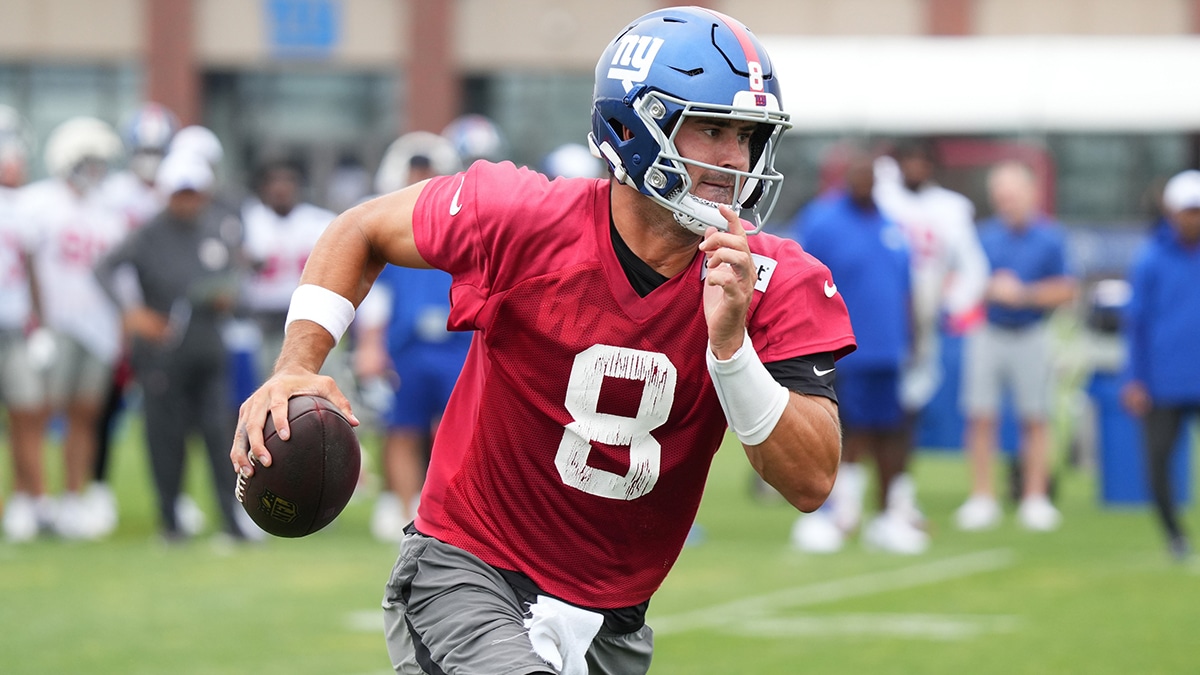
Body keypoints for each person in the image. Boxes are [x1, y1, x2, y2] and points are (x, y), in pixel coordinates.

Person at [231, 7, 855, 674]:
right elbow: (359, 229)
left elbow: (812, 480)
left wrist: (731, 352)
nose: (736, 158)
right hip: (471, 572)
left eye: (749, 135)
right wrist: (297, 365)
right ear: (631, 125)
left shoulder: (775, 278)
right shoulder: (525, 218)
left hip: (615, 616)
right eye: (711, 129)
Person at [95, 151, 256, 543]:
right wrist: (132, 314)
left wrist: (226, 295)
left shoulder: (216, 227)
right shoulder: (149, 233)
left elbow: (234, 279)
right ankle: (170, 521)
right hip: (163, 352)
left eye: (194, 192)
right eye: (181, 192)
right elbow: (103, 269)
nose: (188, 200)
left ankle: (231, 519)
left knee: (221, 435)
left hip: (208, 348)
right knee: (165, 437)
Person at [789, 149, 922, 554]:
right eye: (858, 173)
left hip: (889, 351)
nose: (865, 180)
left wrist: (913, 338)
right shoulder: (822, 220)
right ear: (846, 176)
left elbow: (904, 288)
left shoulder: (890, 224)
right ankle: (839, 516)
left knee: (892, 434)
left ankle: (888, 516)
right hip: (843, 350)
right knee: (846, 435)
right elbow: (798, 278)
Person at [354, 132, 468, 543]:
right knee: (400, 430)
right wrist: (370, 344)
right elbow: (376, 292)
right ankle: (407, 515)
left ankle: (449, 515)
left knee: (453, 430)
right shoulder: (391, 224)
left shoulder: (464, 222)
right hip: (407, 345)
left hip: (457, 341)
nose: (422, 175)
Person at [873, 138, 990, 531]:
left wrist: (952, 306)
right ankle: (844, 498)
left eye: (923, 162)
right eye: (909, 161)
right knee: (857, 413)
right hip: (876, 316)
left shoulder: (950, 209)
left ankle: (898, 496)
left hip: (922, 316)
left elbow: (973, 267)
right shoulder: (882, 198)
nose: (916, 168)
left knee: (907, 411)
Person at [955, 162, 1076, 532]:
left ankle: (1035, 497)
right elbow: (963, 282)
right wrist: (990, 288)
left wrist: (1024, 294)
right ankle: (981, 497)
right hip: (988, 331)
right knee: (980, 416)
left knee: (1035, 417)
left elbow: (1067, 289)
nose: (1007, 202)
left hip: (1032, 334)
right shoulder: (983, 236)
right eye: (1001, 196)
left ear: (1030, 193)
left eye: (1013, 194)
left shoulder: (1051, 237)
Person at [21, 116, 126, 540]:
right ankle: (31, 499)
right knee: (37, 413)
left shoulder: (108, 211)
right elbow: (25, 266)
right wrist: (38, 323)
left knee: (85, 414)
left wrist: (120, 325)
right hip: (56, 325)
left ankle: (70, 498)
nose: (96, 170)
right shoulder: (38, 203)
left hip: (97, 328)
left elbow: (119, 277)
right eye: (89, 160)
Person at [87, 101, 183, 538]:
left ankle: (173, 497)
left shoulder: (175, 190)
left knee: (170, 413)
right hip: (117, 317)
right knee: (101, 405)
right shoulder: (113, 195)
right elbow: (106, 259)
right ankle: (96, 489)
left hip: (163, 318)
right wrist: (126, 312)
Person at [1121, 169, 1200, 561]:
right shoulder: (1151, 258)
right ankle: (1175, 536)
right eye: (1190, 210)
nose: (1195, 218)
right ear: (1172, 211)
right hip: (1164, 380)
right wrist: (1135, 378)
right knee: (1157, 463)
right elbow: (1136, 324)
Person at [0, 105, 54, 542]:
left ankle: (29, 499)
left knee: (26, 415)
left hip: (14, 327)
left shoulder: (22, 207)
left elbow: (33, 270)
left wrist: (43, 326)